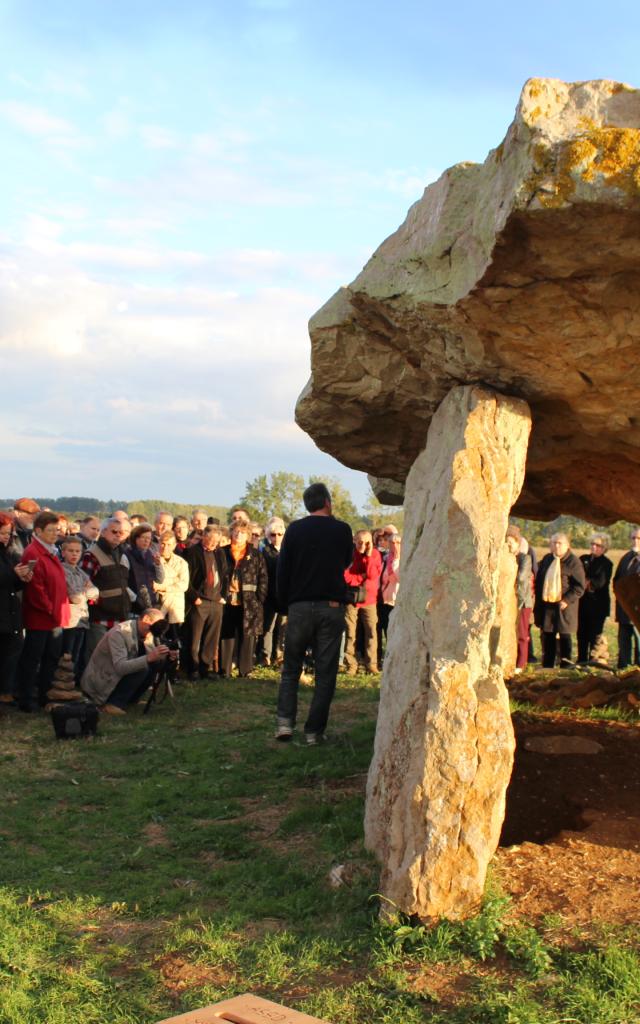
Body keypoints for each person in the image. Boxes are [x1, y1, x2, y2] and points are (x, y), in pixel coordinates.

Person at [275, 482, 353, 744]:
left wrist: (283, 603)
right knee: (325, 672)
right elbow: (346, 561)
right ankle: (313, 732)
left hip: (298, 606)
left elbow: (282, 569)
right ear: (328, 502)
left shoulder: (295, 530)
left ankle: (285, 723)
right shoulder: (342, 529)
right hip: (330, 607)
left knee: (291, 668)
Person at [16, 511, 71, 711]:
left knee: (51, 659)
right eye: (51, 530)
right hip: (41, 617)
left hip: (54, 616)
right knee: (33, 659)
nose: (55, 534)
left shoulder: (50, 550)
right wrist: (51, 610)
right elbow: (36, 589)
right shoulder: (33, 552)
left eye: (57, 530)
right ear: (38, 531)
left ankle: (45, 696)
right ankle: (27, 698)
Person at [81, 607, 176, 714]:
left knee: (152, 664)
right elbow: (120, 667)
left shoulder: (147, 632)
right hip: (100, 683)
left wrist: (165, 656)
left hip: (113, 677)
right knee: (142, 667)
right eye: (157, 624)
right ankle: (113, 704)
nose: (157, 629)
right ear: (146, 619)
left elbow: (152, 657)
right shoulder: (120, 633)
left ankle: (132, 699)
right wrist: (149, 657)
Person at [219, 522, 268, 677]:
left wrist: (260, 598)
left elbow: (263, 577)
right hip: (226, 601)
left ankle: (245, 670)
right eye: (236, 531)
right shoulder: (222, 552)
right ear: (231, 533)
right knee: (226, 635)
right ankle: (224, 670)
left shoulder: (255, 554)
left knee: (248, 636)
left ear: (247, 535)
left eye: (242, 532)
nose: (239, 535)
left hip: (250, 602)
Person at [81, 517, 133, 661]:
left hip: (120, 614)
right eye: (114, 531)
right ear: (103, 533)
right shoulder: (92, 554)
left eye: (121, 532)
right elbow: (84, 583)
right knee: (97, 657)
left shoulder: (121, 553)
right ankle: (91, 684)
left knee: (117, 658)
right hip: (100, 617)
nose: (118, 535)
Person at [534, 532, 586, 668]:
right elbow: (539, 579)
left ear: (567, 546)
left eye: (559, 543)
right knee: (548, 635)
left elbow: (580, 586)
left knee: (564, 636)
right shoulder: (547, 559)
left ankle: (566, 665)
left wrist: (566, 600)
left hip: (564, 606)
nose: (556, 546)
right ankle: (548, 665)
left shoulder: (573, 562)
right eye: (553, 543)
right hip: (548, 605)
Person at [184, 524, 229, 679]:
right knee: (195, 638)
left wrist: (223, 595)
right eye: (210, 541)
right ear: (204, 537)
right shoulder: (192, 552)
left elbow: (224, 575)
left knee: (212, 637)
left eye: (216, 541)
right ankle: (193, 669)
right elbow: (186, 579)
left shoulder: (220, 552)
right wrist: (193, 597)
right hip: (199, 600)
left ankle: (205, 668)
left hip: (216, 601)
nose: (213, 544)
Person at [0, 512, 31, 704]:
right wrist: (13, 574)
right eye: (2, 532)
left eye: (8, 533)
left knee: (10, 654)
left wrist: (23, 579)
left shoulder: (9, 552)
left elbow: (12, 582)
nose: (6, 537)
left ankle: (5, 691)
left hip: (10, 613)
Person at [343, 530, 383, 675]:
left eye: (367, 542)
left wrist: (369, 555)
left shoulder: (375, 555)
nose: (363, 545)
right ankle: (351, 664)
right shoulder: (349, 554)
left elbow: (372, 575)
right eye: (360, 542)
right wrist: (361, 577)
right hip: (351, 598)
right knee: (350, 632)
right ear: (355, 540)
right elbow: (346, 576)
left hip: (370, 599)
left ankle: (371, 664)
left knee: (372, 632)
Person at [60, 534, 99, 680]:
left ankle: (71, 685)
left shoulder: (81, 572)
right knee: (66, 656)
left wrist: (87, 591)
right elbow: (74, 596)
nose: (74, 554)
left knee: (76, 655)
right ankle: (61, 684)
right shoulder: (62, 571)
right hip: (69, 621)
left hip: (82, 620)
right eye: (71, 551)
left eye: (77, 551)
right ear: (63, 552)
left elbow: (96, 592)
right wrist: (86, 591)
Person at [577, 532, 613, 665]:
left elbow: (600, 583)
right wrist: (585, 582)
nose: (594, 547)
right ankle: (581, 659)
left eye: (598, 545)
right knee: (581, 633)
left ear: (604, 548)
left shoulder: (606, 563)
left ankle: (592, 660)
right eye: (592, 544)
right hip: (582, 604)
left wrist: (585, 582)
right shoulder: (583, 558)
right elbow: (576, 576)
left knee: (594, 634)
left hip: (598, 606)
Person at [505, 524, 534, 673]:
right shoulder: (506, 557)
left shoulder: (524, 558)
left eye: (511, 543)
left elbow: (522, 577)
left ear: (517, 543)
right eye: (506, 543)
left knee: (522, 633)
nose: (508, 546)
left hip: (522, 601)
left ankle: (521, 664)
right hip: (509, 602)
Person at [258, 517, 286, 666]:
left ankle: (279, 655)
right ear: (268, 535)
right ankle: (265, 655)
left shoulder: (288, 550)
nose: (276, 538)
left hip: (284, 595)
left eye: (279, 534)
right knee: (267, 627)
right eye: (273, 535)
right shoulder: (264, 551)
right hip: (269, 594)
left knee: (282, 627)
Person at [153, 530, 189, 638]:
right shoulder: (154, 560)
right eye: (163, 544)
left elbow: (184, 585)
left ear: (174, 546)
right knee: (157, 637)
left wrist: (164, 587)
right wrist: (174, 581)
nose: (165, 547)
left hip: (175, 605)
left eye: (169, 544)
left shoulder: (181, 562)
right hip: (159, 603)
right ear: (159, 544)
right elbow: (155, 581)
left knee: (175, 639)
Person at [613, 527, 640, 669]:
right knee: (624, 640)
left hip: (638, 610)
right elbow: (616, 581)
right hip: (624, 608)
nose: (635, 541)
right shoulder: (626, 558)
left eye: (639, 538)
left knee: (639, 641)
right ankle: (624, 668)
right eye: (633, 538)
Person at [378, 532, 401, 660]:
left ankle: (395, 657)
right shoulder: (386, 558)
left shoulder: (403, 559)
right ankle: (388, 657)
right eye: (392, 542)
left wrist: (396, 560)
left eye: (398, 543)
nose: (394, 545)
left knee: (395, 633)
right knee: (386, 631)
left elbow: (400, 577)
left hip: (396, 601)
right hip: (384, 600)